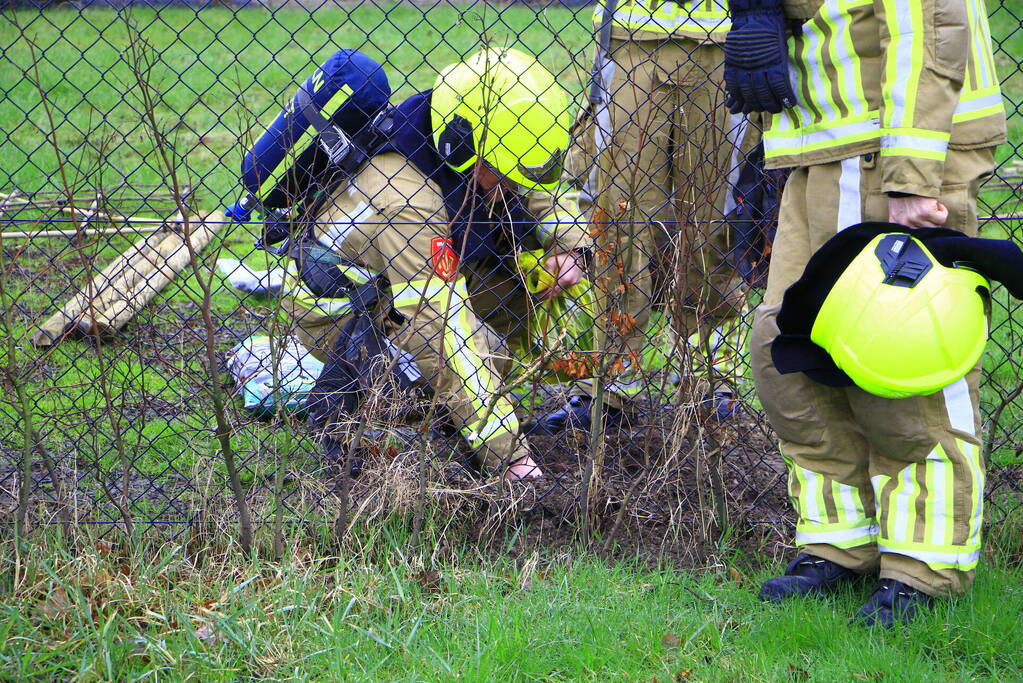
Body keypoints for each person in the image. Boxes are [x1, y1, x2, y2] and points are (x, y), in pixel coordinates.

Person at [737, 0, 1006, 625]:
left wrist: (911, 175)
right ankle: (840, 543)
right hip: (826, 147)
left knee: (900, 362)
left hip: (895, 147)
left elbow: (930, 23)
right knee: (789, 353)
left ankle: (922, 565)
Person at [282, 48, 591, 481]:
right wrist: (511, 457)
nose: (512, 188)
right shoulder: (408, 202)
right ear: (468, 150)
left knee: (505, 307)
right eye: (505, 175)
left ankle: (469, 408)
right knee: (481, 349)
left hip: (398, 286)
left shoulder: (459, 125)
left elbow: (537, 184)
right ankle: (370, 412)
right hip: (343, 318)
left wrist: (572, 247)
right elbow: (437, 329)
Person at [530, 0, 752, 436]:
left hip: (727, 39)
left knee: (715, 224)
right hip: (631, 37)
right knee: (618, 223)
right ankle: (612, 386)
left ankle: (710, 380)